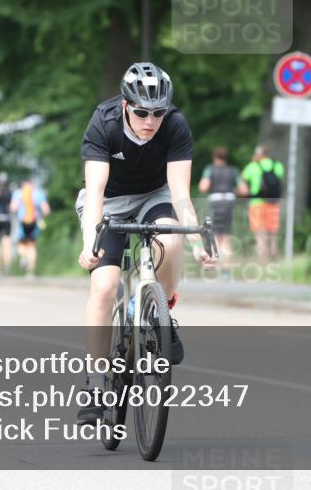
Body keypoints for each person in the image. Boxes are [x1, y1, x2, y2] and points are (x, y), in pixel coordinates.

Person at [75, 62, 217, 424]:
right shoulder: (103, 122)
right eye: (141, 112)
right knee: (104, 287)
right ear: (125, 106)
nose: (150, 120)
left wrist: (197, 237)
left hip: (156, 195)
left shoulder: (175, 125)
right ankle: (94, 383)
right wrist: (91, 242)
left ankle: (162, 314)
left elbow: (182, 195)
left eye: (157, 112)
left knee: (171, 241)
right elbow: (94, 193)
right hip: (109, 203)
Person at [198, 146, 247, 268]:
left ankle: (215, 264)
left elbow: (203, 187)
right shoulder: (233, 170)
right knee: (226, 236)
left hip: (216, 202)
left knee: (215, 234)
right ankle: (226, 267)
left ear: (214, 157)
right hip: (229, 202)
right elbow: (244, 190)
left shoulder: (210, 169)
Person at [240, 145, 285, 263]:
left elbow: (243, 180)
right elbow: (279, 180)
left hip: (257, 203)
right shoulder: (277, 165)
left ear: (257, 154)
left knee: (260, 235)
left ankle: (262, 262)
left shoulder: (252, 166)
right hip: (273, 203)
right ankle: (275, 262)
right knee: (273, 235)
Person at [10, 176, 51, 279]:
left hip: (22, 222)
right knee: (32, 246)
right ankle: (30, 272)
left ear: (23, 183)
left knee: (22, 244)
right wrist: (41, 216)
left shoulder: (18, 193)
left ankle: (23, 257)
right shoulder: (38, 193)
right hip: (34, 222)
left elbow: (13, 208)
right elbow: (46, 210)